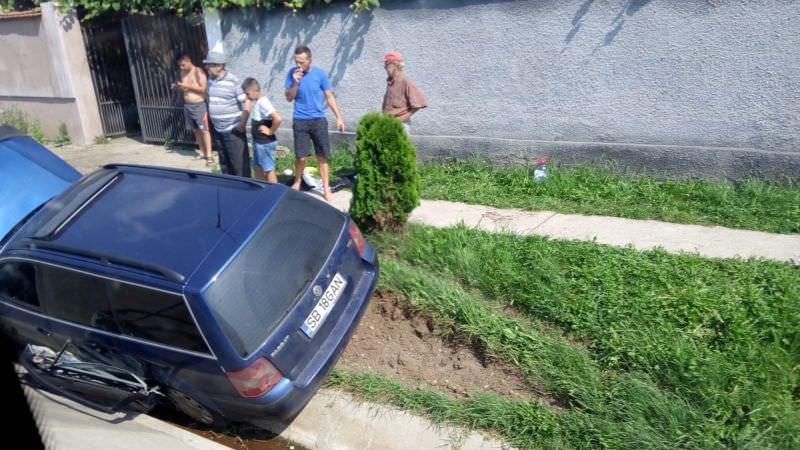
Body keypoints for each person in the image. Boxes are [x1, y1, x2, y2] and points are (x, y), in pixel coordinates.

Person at [284, 45, 345, 202]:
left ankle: (325, 187)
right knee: (301, 156)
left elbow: (329, 97)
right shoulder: (292, 74)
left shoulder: (320, 74)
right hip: (300, 119)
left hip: (318, 120)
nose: (299, 65)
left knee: (322, 156)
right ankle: (297, 182)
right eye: (296, 61)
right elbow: (289, 98)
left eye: (302, 62)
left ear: (309, 60)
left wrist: (339, 117)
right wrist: (295, 83)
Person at [204, 51, 251, 178]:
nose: (207, 67)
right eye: (206, 65)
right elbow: (208, 97)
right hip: (218, 130)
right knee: (225, 164)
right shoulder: (210, 80)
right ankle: (230, 190)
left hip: (233, 131)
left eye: (209, 65)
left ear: (219, 66)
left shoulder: (233, 81)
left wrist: (242, 124)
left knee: (239, 166)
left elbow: (247, 101)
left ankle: (244, 193)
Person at [175, 55, 214, 167]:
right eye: (180, 66)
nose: (181, 68)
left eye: (183, 65)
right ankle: (202, 152)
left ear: (189, 61)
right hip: (188, 105)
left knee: (204, 130)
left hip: (199, 105)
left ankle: (209, 156)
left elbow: (203, 89)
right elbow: (186, 88)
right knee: (195, 130)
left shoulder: (199, 72)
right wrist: (181, 87)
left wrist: (186, 85)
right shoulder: (182, 73)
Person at [242, 78, 282, 183]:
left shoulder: (263, 102)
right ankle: (262, 189)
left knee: (268, 169)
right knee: (257, 167)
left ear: (255, 91)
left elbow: (277, 118)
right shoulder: (258, 102)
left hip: (265, 144)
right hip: (258, 143)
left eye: (247, 94)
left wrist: (270, 131)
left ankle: (274, 193)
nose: (246, 97)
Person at [382, 51, 428, 133]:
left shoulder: (405, 81)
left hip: (400, 125)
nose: (384, 67)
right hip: (388, 123)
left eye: (387, 63)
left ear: (395, 64)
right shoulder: (391, 81)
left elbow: (419, 104)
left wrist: (400, 119)